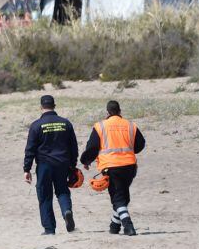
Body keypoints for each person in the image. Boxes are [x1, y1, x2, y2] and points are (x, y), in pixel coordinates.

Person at [80, 100, 146, 236]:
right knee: (123, 197)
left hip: (111, 167)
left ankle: (128, 225)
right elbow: (140, 144)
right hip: (130, 166)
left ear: (107, 113)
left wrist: (86, 161)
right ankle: (114, 226)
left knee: (118, 198)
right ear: (120, 111)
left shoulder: (100, 126)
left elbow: (92, 147)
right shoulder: (130, 125)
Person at [23, 94, 79, 235]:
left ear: (41, 107)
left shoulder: (36, 125)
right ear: (54, 106)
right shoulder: (65, 123)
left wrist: (27, 169)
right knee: (62, 190)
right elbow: (73, 146)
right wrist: (72, 165)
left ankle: (49, 229)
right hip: (62, 163)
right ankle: (67, 211)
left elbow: (30, 149)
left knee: (44, 195)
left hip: (44, 165)